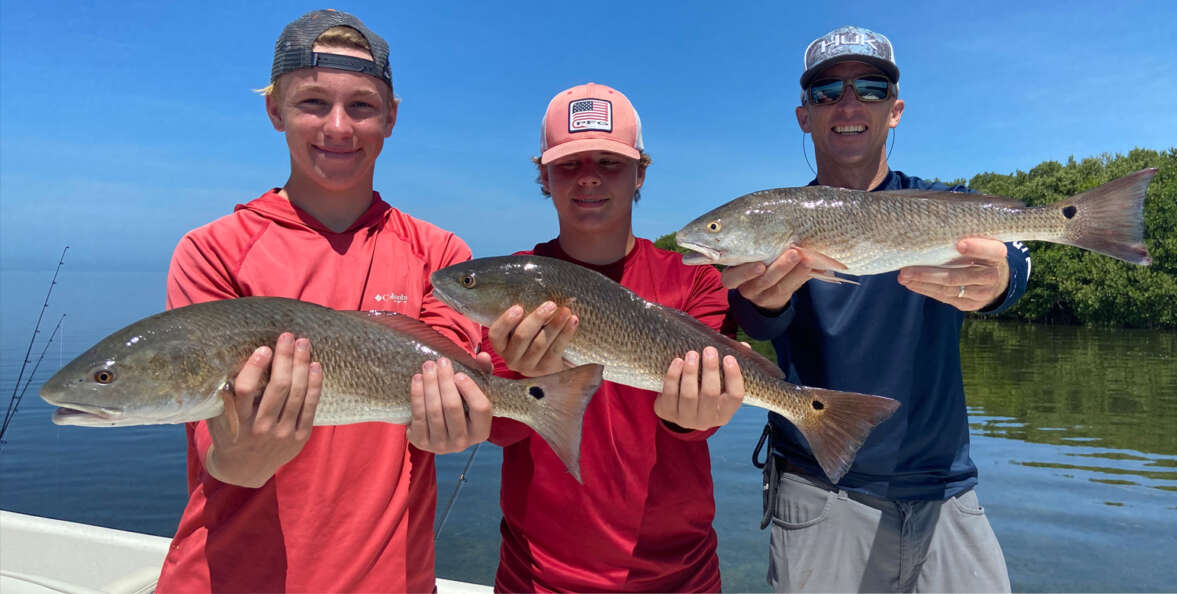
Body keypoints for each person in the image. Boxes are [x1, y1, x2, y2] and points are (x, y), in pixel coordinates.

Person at [155, 10, 492, 592]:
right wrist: (251, 452)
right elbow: (228, 460)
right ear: (274, 111)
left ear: (390, 118)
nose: (338, 126)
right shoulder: (212, 251)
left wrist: (457, 424)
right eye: (313, 102)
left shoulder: (443, 258)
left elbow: (449, 394)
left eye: (361, 106)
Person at [725, 26, 1028, 593]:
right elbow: (757, 318)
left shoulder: (944, 203)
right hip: (820, 488)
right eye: (825, 93)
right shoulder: (775, 223)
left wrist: (1005, 278)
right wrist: (757, 301)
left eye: (870, 87)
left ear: (895, 109)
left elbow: (1017, 248)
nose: (848, 104)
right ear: (803, 116)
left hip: (947, 492)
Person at [478, 82, 745, 592]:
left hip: (680, 575)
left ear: (641, 172)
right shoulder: (509, 286)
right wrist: (522, 374)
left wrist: (696, 416)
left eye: (610, 162)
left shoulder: (695, 279)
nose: (590, 179)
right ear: (544, 176)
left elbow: (701, 426)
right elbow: (498, 432)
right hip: (536, 575)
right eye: (570, 164)